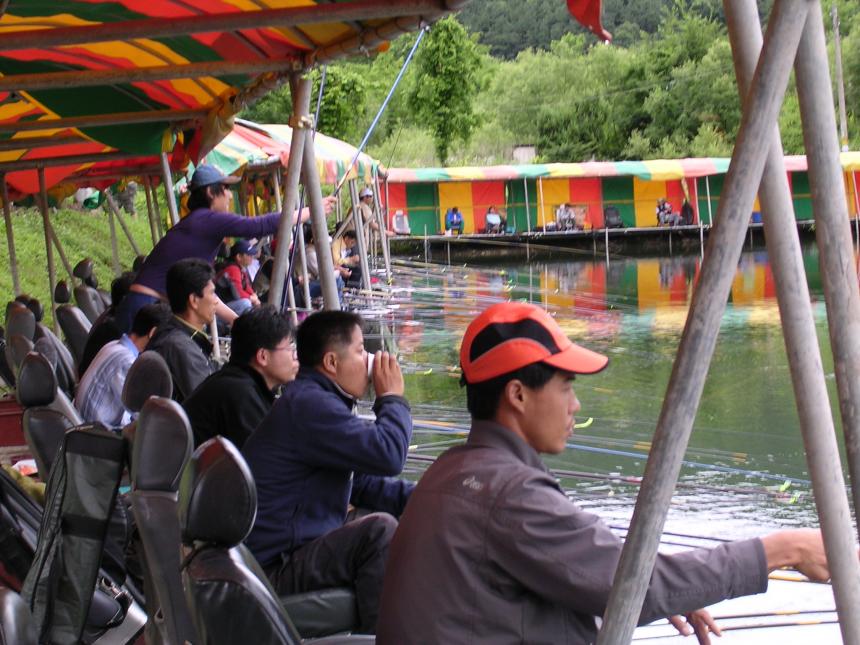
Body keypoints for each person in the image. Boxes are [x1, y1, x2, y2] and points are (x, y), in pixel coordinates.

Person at [377, 301, 833, 644]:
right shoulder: (508, 492)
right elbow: (634, 585)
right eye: (566, 387)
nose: (575, 405)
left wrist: (665, 593)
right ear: (517, 395)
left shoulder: (451, 470)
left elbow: (605, 573)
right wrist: (781, 550)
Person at [242, 310, 414, 634]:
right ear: (332, 362)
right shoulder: (310, 405)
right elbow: (389, 454)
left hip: (282, 552)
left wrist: (426, 498)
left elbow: (360, 483)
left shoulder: (312, 400)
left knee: (377, 519)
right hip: (273, 567)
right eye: (361, 350)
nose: (370, 361)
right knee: (379, 533)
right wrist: (392, 398)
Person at [115, 164, 335, 332]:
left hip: (147, 307)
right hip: (143, 308)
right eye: (227, 188)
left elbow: (207, 293)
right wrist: (312, 210)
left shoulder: (202, 223)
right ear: (211, 193)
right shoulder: (206, 219)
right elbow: (258, 226)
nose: (230, 195)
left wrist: (237, 322)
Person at [183, 305, 297, 449]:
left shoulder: (235, 380)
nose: (295, 357)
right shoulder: (241, 393)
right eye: (290, 349)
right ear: (263, 356)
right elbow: (266, 456)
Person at [74, 303, 170, 429]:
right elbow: (139, 412)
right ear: (152, 332)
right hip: (94, 432)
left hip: (88, 422)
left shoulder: (114, 345)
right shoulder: (126, 361)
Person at [147, 258, 219, 403]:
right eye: (212, 293)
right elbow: (210, 405)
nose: (216, 300)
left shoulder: (170, 331)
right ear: (194, 300)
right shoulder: (182, 347)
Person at [216, 239, 260, 315]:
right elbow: (238, 294)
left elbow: (246, 287)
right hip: (218, 310)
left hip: (226, 305)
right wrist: (252, 298)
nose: (252, 257)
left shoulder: (241, 269)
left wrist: (255, 297)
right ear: (239, 257)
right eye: (248, 255)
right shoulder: (232, 269)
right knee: (245, 304)